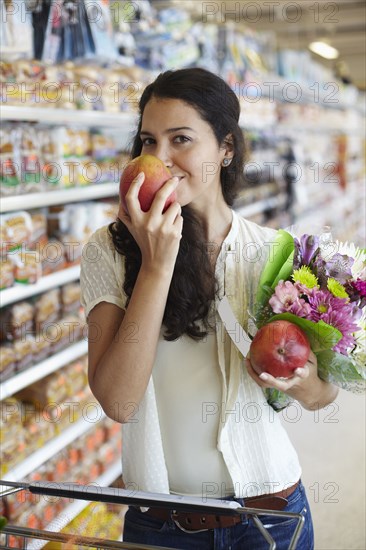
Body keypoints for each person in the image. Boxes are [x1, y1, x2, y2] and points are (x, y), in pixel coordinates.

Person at [80, 68, 338, 550]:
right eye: (148, 141)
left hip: (272, 517)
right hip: (161, 525)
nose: (160, 159)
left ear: (225, 148)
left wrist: (304, 383)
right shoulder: (111, 251)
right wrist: (156, 264)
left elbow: (323, 397)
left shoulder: (275, 253)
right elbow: (118, 401)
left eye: (181, 139)